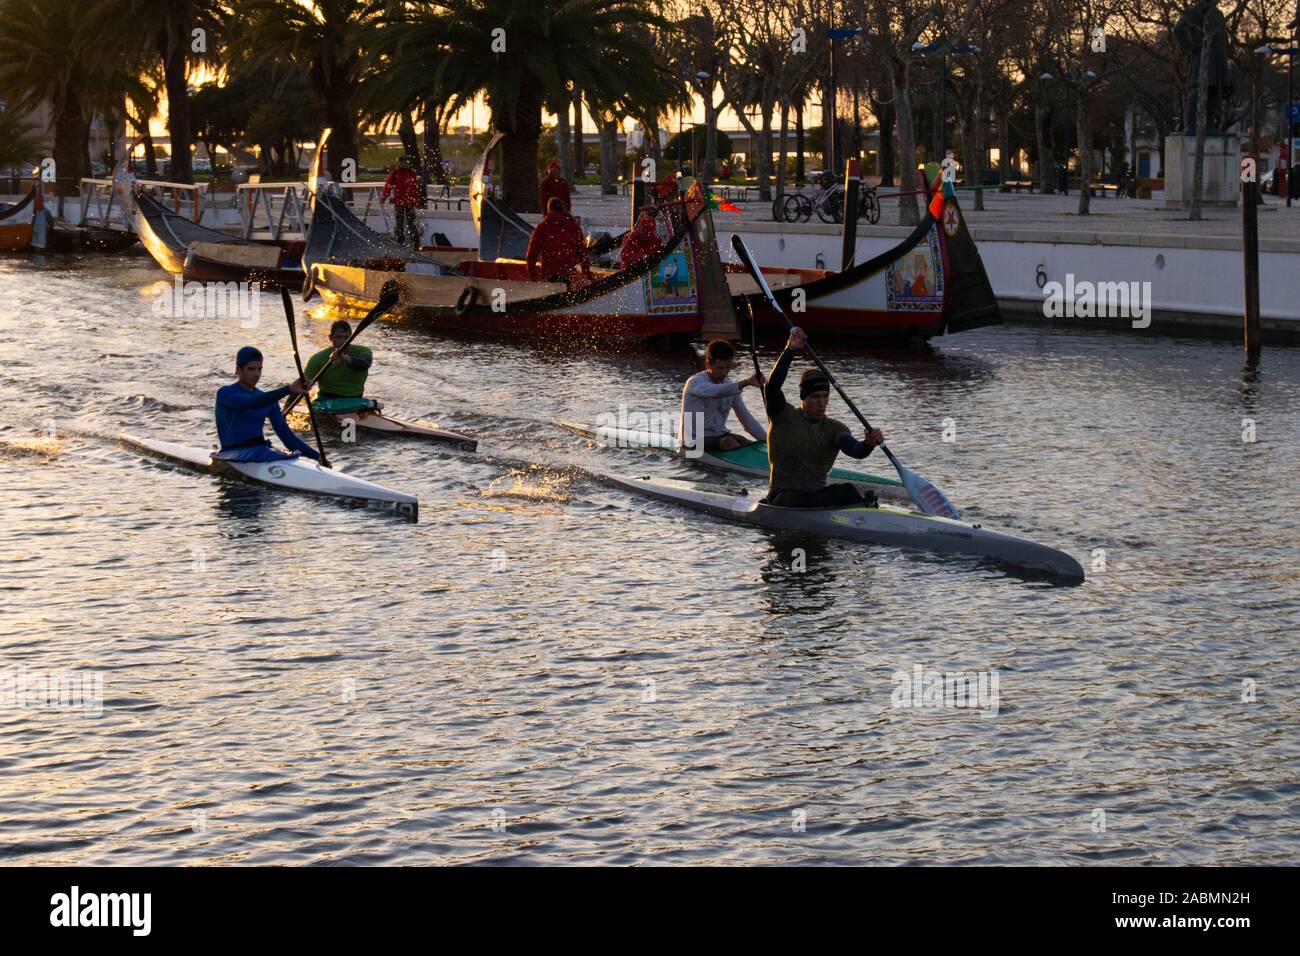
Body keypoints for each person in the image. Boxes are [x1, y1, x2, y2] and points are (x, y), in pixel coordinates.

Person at [762, 326, 884, 508]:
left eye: (825, 396)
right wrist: (790, 350)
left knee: (848, 489)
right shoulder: (783, 416)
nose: (821, 403)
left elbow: (854, 450)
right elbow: (771, 388)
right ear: (803, 398)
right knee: (803, 499)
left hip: (816, 497)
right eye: (815, 397)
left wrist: (868, 444)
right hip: (783, 498)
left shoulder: (835, 428)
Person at [213, 346, 318, 463]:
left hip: (261, 451)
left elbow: (287, 437)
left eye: (259, 369)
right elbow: (252, 403)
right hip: (232, 453)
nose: (256, 374)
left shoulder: (269, 400)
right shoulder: (225, 393)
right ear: (238, 370)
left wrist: (318, 457)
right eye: (251, 369)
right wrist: (288, 389)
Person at [680, 340, 766, 454]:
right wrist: (746, 382)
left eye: (728, 368)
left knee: (755, 447)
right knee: (729, 442)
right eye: (720, 368)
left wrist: (769, 441)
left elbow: (747, 420)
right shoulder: (694, 383)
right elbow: (716, 392)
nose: (724, 372)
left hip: (720, 435)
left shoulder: (729, 385)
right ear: (708, 365)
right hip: (693, 441)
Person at [303, 320, 381, 415]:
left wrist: (345, 358)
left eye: (347, 338)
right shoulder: (317, 358)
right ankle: (367, 404)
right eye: (339, 337)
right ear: (331, 338)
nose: (343, 341)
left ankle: (366, 404)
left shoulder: (363, 351)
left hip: (354, 400)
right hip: (325, 401)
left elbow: (364, 364)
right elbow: (301, 387)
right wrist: (287, 408)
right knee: (313, 407)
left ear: (351, 338)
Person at [524, 197, 592, 286]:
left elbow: (531, 254)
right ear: (563, 208)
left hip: (549, 273)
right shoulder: (573, 226)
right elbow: (582, 252)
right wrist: (586, 272)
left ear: (549, 209)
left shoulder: (542, 227)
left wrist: (533, 277)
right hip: (568, 272)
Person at [380, 155, 421, 249]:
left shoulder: (411, 173)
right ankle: (400, 244)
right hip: (399, 203)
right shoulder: (394, 174)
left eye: (406, 162)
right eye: (402, 162)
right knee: (399, 224)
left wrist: (416, 200)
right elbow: (388, 186)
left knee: (412, 224)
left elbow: (416, 188)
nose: (404, 164)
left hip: (409, 203)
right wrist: (383, 198)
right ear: (398, 163)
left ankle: (416, 244)